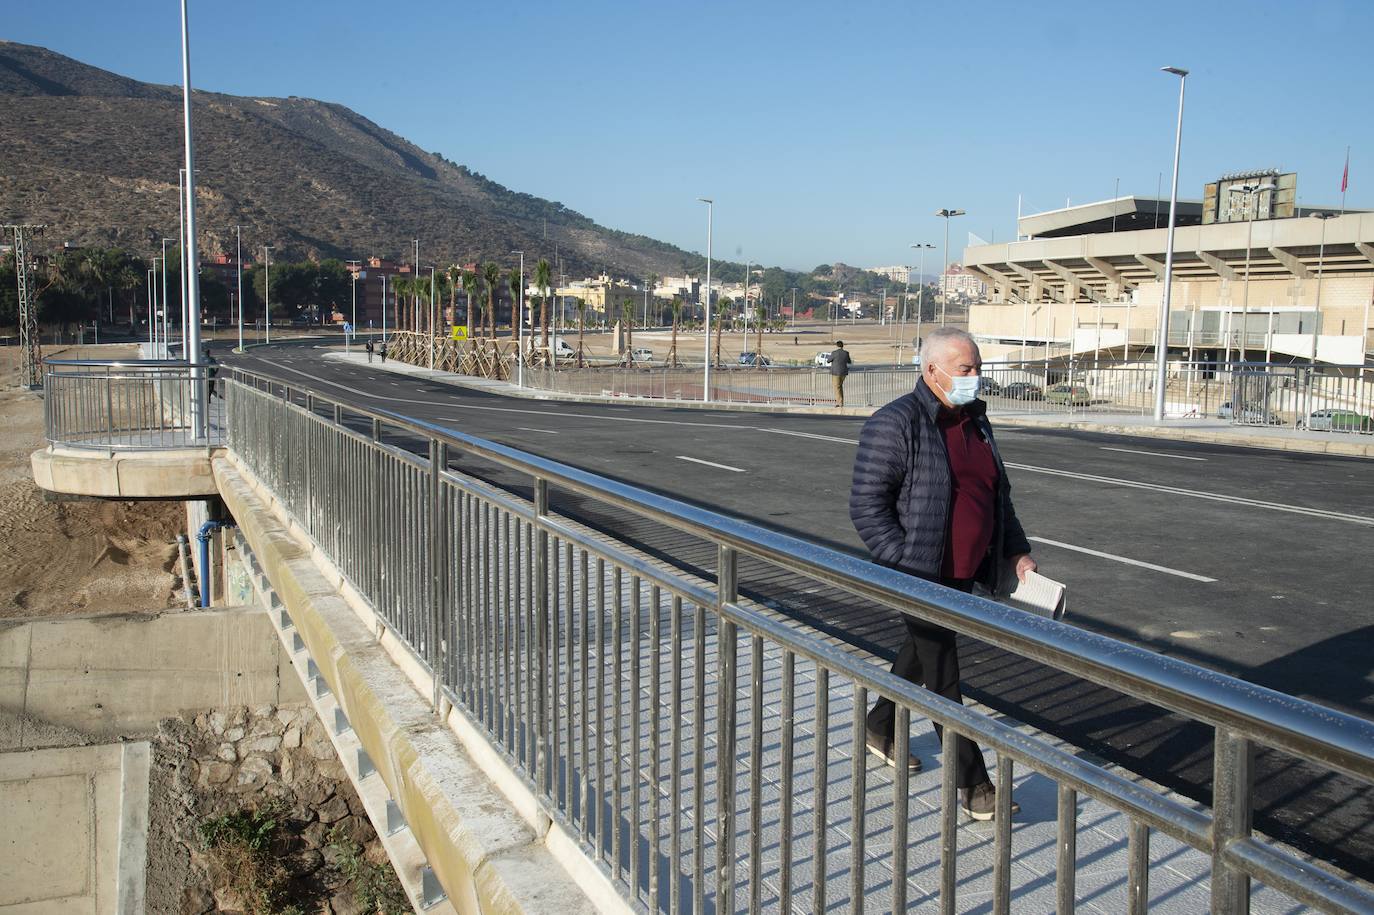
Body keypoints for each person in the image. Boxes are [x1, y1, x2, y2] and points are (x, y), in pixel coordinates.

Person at [848, 326, 1036, 821]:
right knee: (944, 678)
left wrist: (1016, 552)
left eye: (978, 368)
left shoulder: (976, 420)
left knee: (919, 655)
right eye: (965, 369)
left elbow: (997, 497)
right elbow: (867, 506)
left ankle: (880, 725)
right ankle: (974, 784)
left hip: (963, 572)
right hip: (919, 575)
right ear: (932, 371)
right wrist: (905, 567)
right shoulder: (896, 422)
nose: (976, 377)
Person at [829, 340, 851, 408]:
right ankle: (840, 402)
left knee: (837, 387)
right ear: (842, 346)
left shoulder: (834, 353)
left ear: (837, 345)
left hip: (836, 372)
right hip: (844, 372)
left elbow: (828, 360)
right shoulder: (846, 353)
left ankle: (839, 403)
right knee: (840, 387)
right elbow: (849, 361)